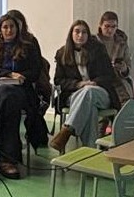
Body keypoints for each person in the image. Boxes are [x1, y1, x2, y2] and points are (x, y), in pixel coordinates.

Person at [0, 13, 45, 179]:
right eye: (5, 27)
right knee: (5, 96)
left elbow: (35, 71)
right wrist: (9, 74)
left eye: (11, 26)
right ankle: (9, 157)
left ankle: (4, 153)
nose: (8, 30)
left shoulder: (28, 46)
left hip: (21, 89)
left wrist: (20, 77)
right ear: (0, 30)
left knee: (8, 98)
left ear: (17, 28)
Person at [50, 19, 124, 152]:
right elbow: (59, 80)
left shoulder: (98, 49)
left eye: (84, 32)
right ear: (71, 34)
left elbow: (109, 75)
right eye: (77, 31)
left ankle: (67, 130)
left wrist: (94, 82)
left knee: (89, 91)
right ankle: (90, 151)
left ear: (88, 35)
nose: (80, 35)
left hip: (100, 93)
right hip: (74, 95)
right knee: (90, 107)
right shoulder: (62, 53)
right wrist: (78, 84)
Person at [96, 11, 133, 102]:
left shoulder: (121, 43)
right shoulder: (93, 43)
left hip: (118, 80)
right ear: (100, 25)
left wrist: (124, 69)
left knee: (126, 100)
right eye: (107, 26)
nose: (110, 30)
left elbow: (128, 67)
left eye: (113, 27)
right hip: (99, 81)